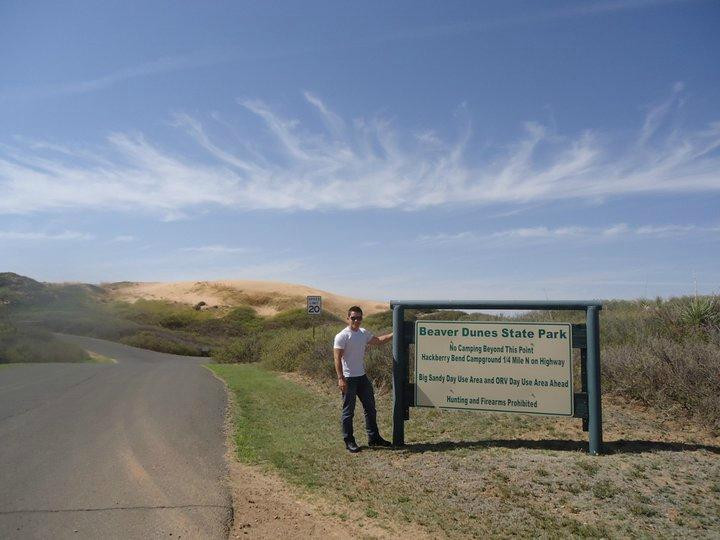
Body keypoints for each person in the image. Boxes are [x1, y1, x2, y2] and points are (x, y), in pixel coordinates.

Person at [333, 306, 393, 453]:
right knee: (348, 411)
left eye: (359, 318)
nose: (356, 320)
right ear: (348, 318)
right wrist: (340, 378)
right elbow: (337, 358)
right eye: (353, 318)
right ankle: (349, 441)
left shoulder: (363, 333)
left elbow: (378, 340)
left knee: (371, 409)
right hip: (349, 379)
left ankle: (374, 438)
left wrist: (394, 333)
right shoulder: (342, 336)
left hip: (362, 377)